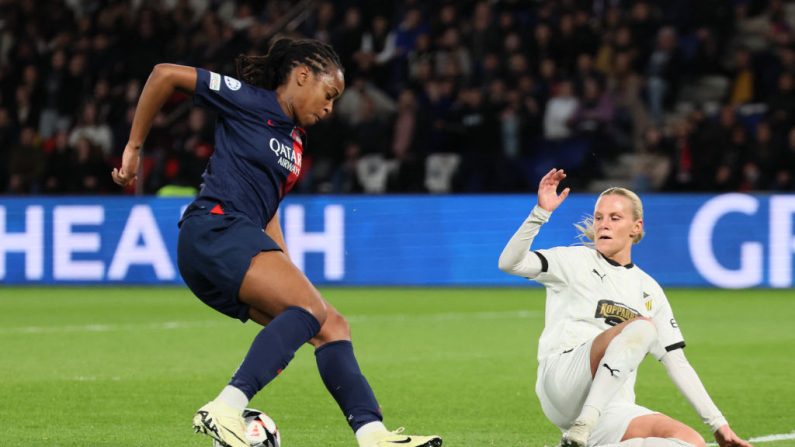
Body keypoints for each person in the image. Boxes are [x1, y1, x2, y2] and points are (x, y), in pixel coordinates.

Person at [112, 38, 442, 447]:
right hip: (215, 230)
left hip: (235, 241)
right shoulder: (248, 101)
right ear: (303, 75)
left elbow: (268, 211)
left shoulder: (296, 143)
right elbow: (164, 74)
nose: (329, 108)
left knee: (330, 324)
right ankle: (226, 407)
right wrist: (133, 148)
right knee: (308, 309)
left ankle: (372, 434)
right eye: (329, 94)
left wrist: (287, 268)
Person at [497, 169, 752, 447]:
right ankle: (583, 425)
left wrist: (719, 425)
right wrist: (540, 213)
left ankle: (582, 437)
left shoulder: (649, 288)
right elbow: (510, 263)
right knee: (641, 327)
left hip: (612, 406)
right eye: (599, 218)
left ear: (636, 227)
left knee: (689, 442)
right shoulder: (574, 261)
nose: (603, 225)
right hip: (563, 379)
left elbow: (676, 362)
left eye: (614, 218)